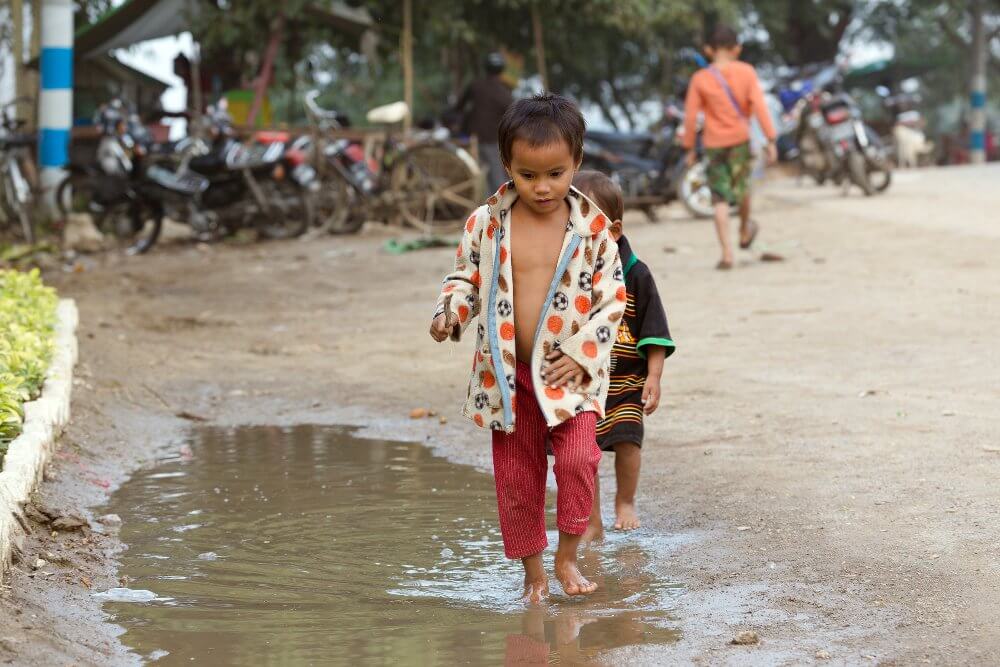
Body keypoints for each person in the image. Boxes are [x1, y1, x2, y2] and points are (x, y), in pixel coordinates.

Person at [429, 94, 626, 602]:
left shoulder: (593, 230)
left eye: (557, 174)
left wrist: (582, 353)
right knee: (518, 478)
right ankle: (533, 574)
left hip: (571, 373)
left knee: (580, 459)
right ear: (508, 167)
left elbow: (612, 299)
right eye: (529, 175)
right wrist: (450, 312)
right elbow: (464, 279)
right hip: (506, 373)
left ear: (577, 164)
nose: (543, 187)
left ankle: (568, 554)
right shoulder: (486, 223)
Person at [571, 171, 674, 540]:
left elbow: (655, 330)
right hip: (584, 384)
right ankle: (592, 518)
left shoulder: (636, 274)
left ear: (614, 230)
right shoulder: (571, 274)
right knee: (585, 453)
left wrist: (654, 376)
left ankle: (625, 502)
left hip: (628, 380)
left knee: (629, 442)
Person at [682, 24, 778, 270]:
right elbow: (759, 107)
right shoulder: (746, 72)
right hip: (740, 141)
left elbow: (691, 117)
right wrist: (770, 140)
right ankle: (744, 230)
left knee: (719, 198)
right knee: (743, 188)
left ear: (708, 50)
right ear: (737, 48)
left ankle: (727, 254)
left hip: (714, 144)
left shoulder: (700, 79)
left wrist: (690, 148)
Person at [453, 52, 514, 192]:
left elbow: (458, 107)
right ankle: (498, 208)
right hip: (492, 140)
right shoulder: (504, 93)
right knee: (496, 176)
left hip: (471, 138)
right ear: (502, 70)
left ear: (485, 67)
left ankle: (486, 206)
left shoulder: (475, 86)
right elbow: (513, 117)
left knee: (480, 175)